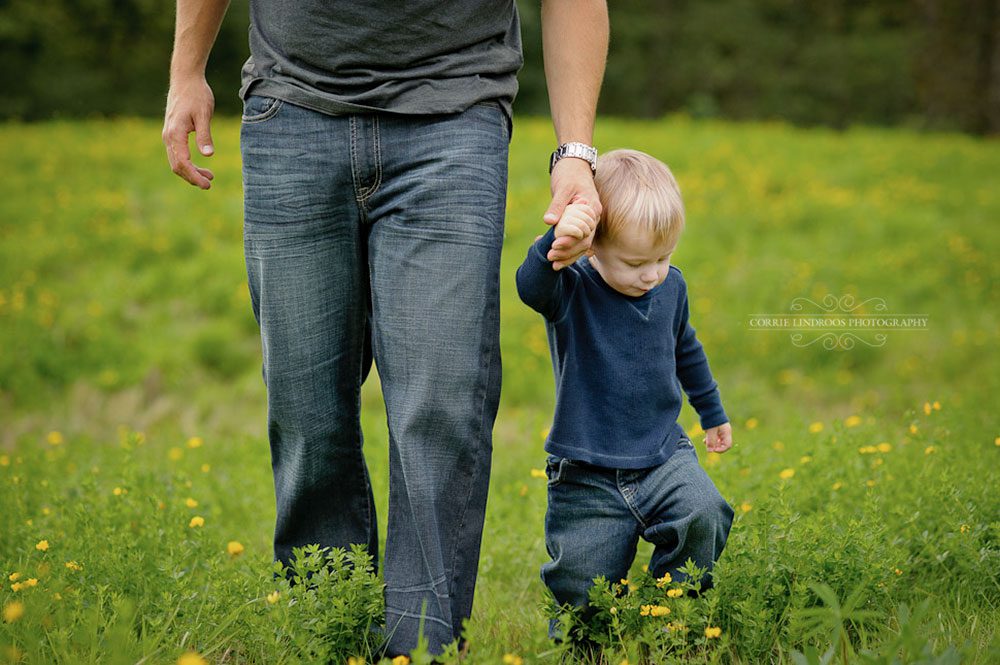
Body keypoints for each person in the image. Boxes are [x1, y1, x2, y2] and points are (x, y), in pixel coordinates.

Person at [162, 0, 609, 658]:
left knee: (441, 401)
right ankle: (331, 634)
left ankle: (420, 649)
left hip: (454, 115)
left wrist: (575, 152)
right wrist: (185, 71)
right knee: (306, 406)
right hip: (292, 109)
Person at [515, 149, 736, 643]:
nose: (652, 274)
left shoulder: (670, 288)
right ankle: (585, 648)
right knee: (583, 585)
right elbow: (531, 286)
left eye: (664, 257)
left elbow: (687, 349)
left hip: (663, 453)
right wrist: (558, 237)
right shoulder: (571, 289)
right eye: (636, 262)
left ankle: (670, 621)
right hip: (586, 469)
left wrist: (712, 411)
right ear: (593, 247)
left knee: (705, 511)